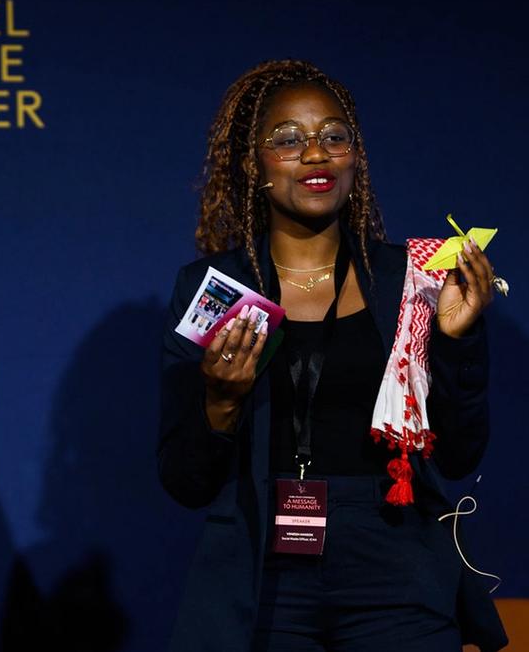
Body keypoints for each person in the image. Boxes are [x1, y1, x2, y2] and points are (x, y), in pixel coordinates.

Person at [157, 59, 507, 651]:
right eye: (289, 139)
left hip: (394, 563)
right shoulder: (214, 290)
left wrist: (456, 343)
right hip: (263, 571)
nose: (315, 153)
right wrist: (219, 403)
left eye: (334, 136)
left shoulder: (412, 280)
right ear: (254, 163)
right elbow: (185, 483)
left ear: (354, 157)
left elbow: (458, 456)